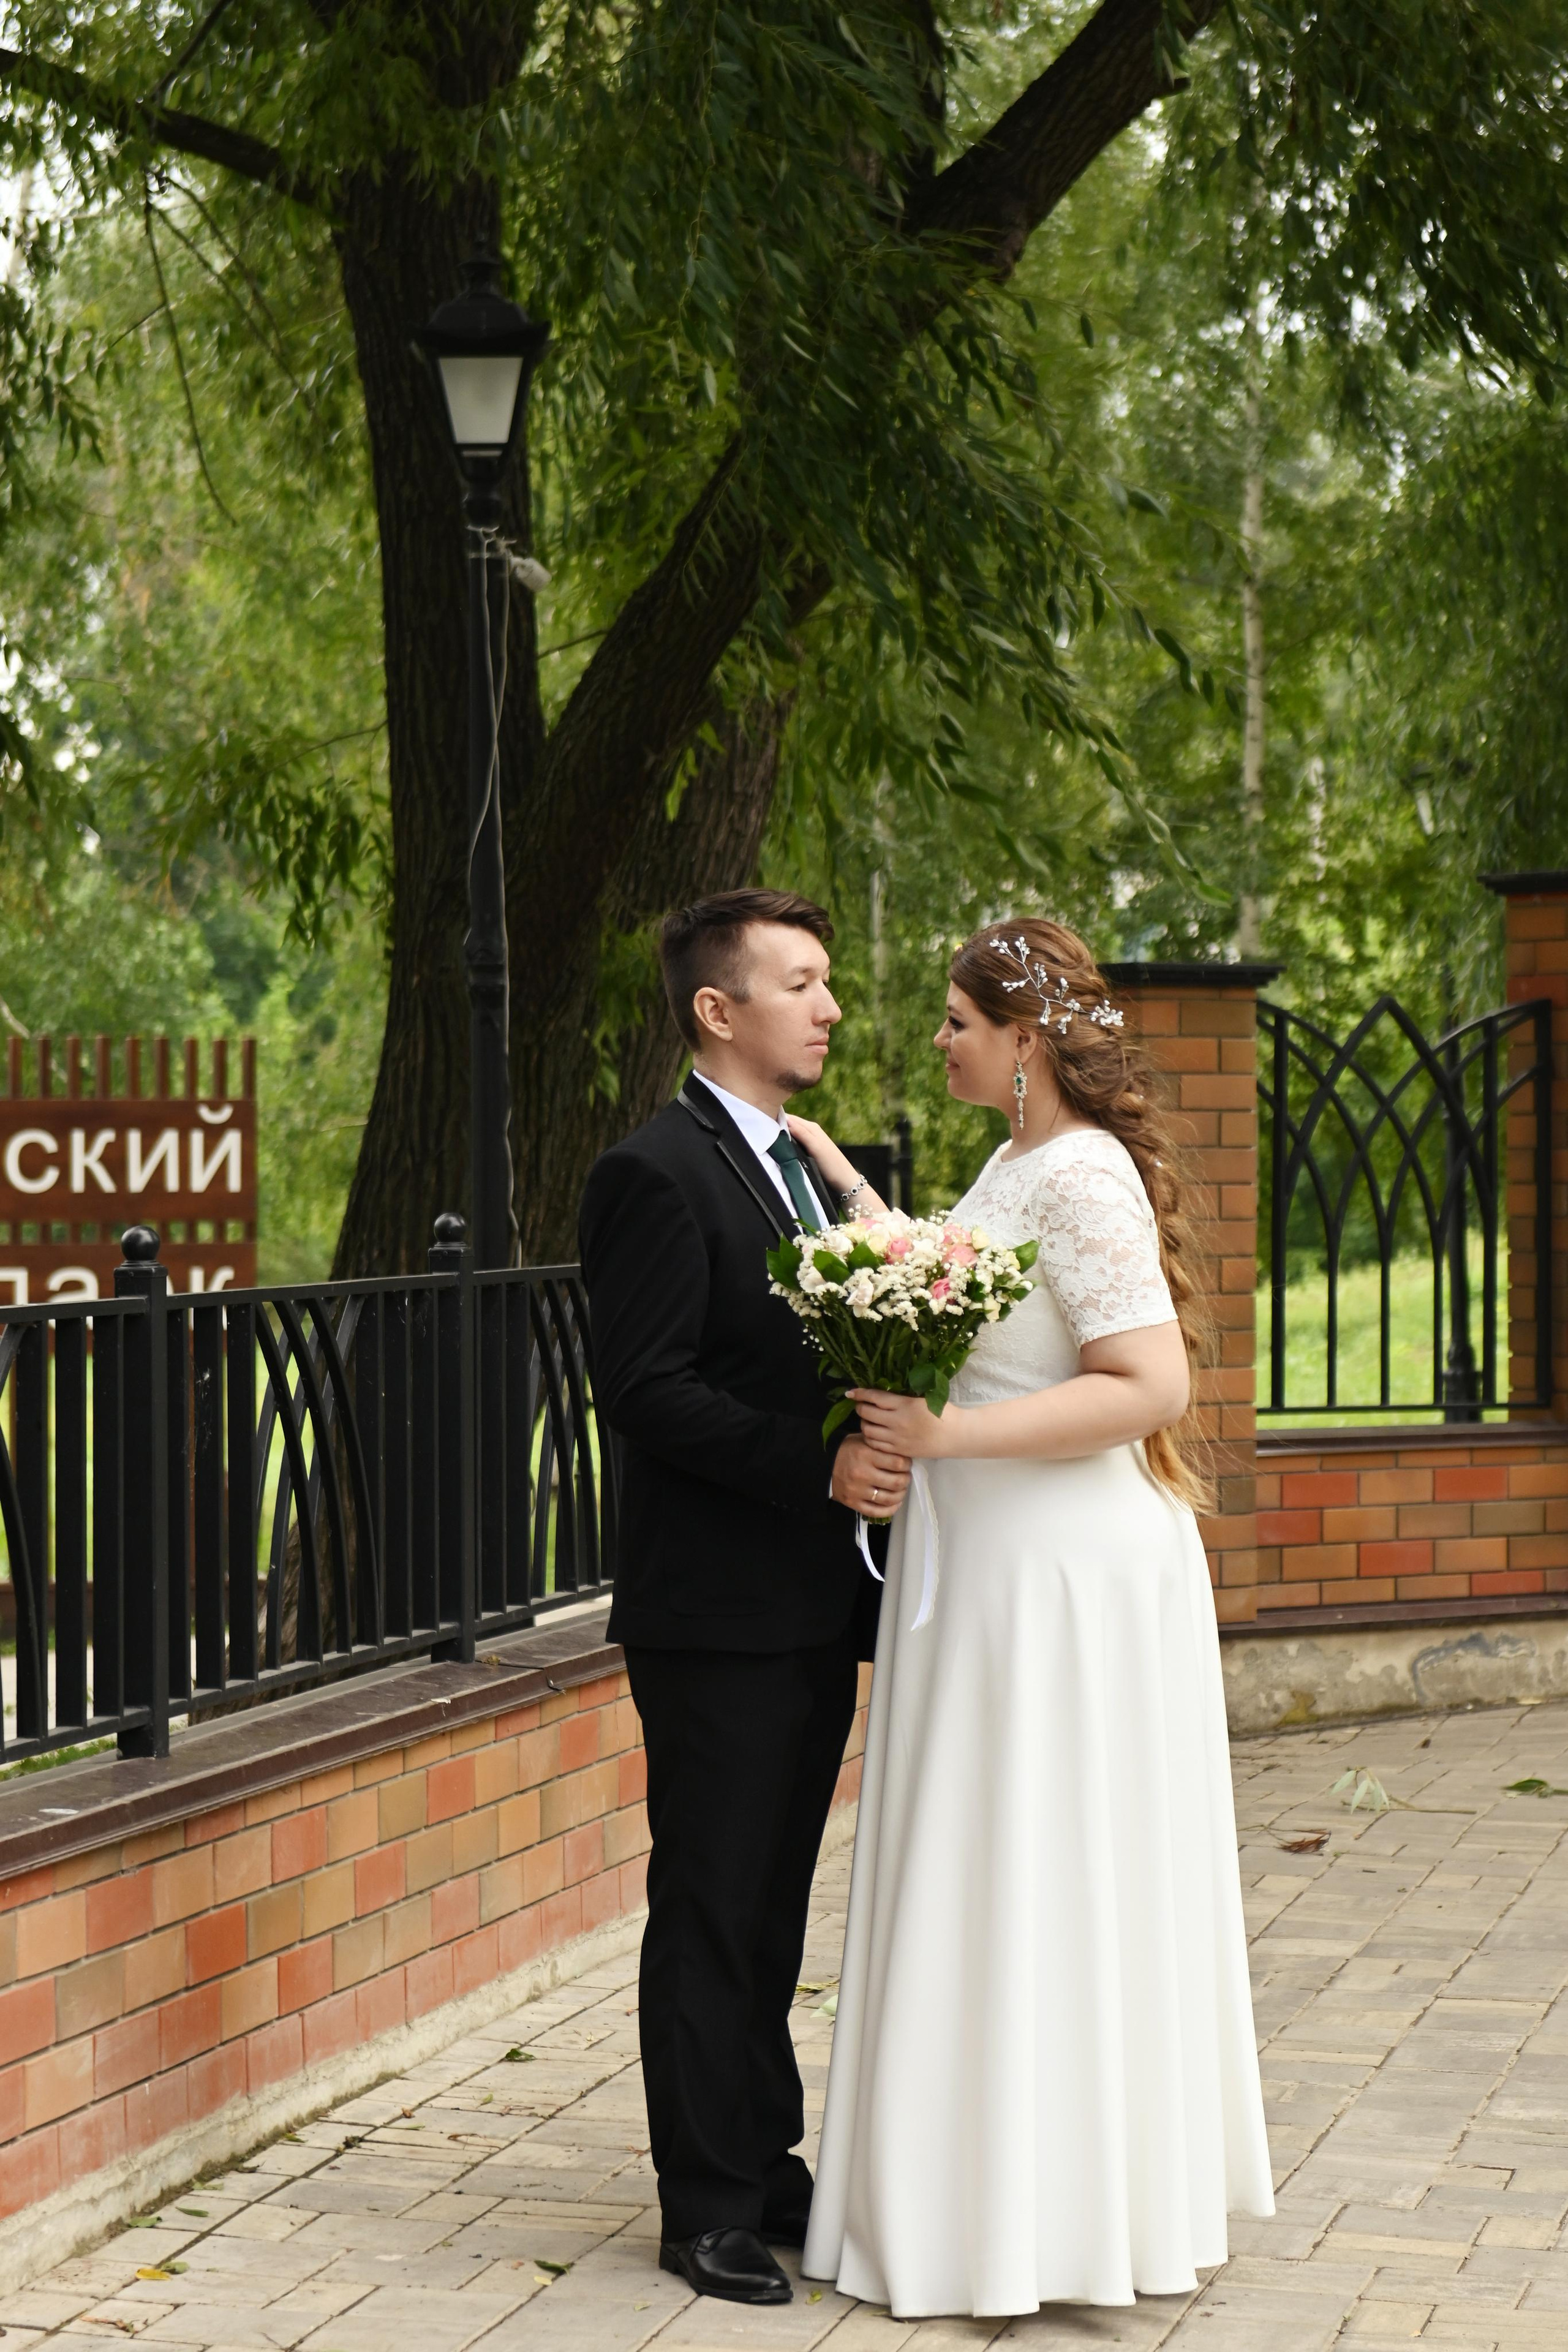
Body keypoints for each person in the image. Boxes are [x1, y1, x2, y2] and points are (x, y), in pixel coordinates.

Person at [793, 916, 1275, 2318]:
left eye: (953, 1020)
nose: (934, 1040)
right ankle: (973, 2203)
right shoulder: (1010, 1163)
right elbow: (978, 1307)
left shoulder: (1083, 1177)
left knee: (1047, 1870)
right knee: (982, 1866)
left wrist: (934, 1444)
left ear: (1022, 1041)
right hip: (987, 1576)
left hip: (1064, 1579)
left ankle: (1059, 2220)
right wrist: (836, 1188)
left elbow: (1144, 1387)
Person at [579, 888, 910, 2309]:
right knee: (712, 1901)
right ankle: (702, 2202)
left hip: (798, 1605)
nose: (828, 1006)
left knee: (771, 1900)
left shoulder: (791, 1167)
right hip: (710, 1609)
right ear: (719, 1010)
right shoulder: (655, 1172)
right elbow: (646, 1392)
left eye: (826, 981)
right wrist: (819, 1466)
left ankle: (759, 2156)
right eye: (801, 982)